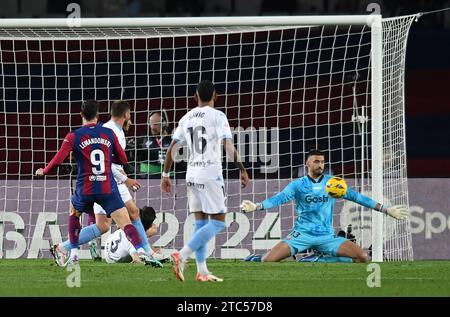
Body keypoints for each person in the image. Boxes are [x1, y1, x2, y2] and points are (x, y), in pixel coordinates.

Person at [240, 149, 408, 263]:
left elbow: (358, 197)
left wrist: (386, 209)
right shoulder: (298, 184)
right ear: (307, 163)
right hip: (302, 235)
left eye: (322, 162)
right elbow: (279, 198)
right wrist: (257, 206)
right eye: (316, 161)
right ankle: (259, 258)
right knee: (269, 261)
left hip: (326, 236)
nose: (320, 165)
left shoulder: (333, 184)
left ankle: (314, 259)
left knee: (362, 257)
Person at [35, 100, 146, 266]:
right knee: (125, 222)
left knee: (75, 213)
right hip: (107, 187)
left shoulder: (73, 136)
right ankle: (142, 251)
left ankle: (72, 254)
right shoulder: (109, 133)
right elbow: (123, 158)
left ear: (81, 114)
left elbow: (58, 159)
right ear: (98, 115)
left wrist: (44, 171)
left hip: (86, 187)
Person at [161, 80, 250, 282]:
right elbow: (227, 144)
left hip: (191, 174)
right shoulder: (218, 116)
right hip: (210, 174)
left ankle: (201, 271)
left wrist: (165, 175)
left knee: (201, 222)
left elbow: (172, 148)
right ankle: (181, 255)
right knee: (218, 223)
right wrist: (242, 169)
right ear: (216, 96)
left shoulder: (187, 117)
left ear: (195, 96)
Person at [104, 206, 170, 265]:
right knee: (138, 243)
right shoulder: (136, 240)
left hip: (108, 245)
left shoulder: (128, 227)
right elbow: (136, 259)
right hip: (113, 259)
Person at [135, 111, 173, 178]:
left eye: (155, 124)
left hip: (167, 178)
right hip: (145, 178)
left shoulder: (172, 140)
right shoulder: (143, 139)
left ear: (164, 124)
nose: (152, 127)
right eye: (151, 124)